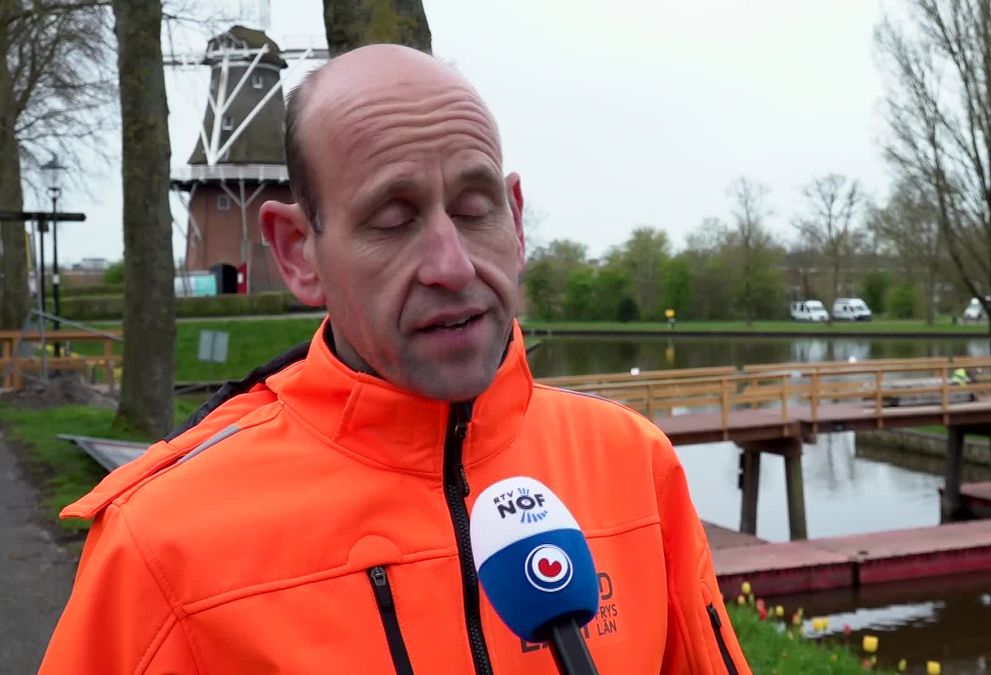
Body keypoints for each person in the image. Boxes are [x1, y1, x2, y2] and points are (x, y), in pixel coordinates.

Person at [40, 45, 750, 674]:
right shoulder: (161, 542)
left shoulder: (633, 467)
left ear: (516, 219)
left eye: (474, 209)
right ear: (298, 252)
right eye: (392, 220)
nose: (452, 264)